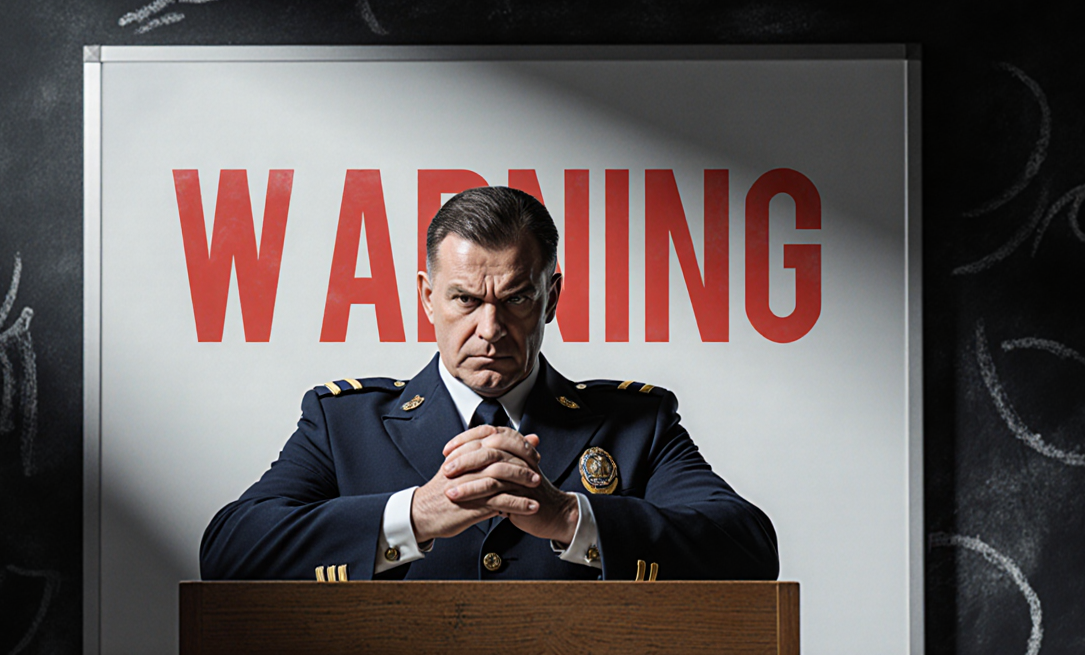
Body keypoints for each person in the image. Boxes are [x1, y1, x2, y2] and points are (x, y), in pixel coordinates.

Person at [200, 186, 779, 581]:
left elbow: (749, 549)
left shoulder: (637, 425)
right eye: (465, 300)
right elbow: (230, 551)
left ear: (552, 297)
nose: (491, 328)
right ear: (428, 297)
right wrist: (417, 516)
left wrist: (571, 519)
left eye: (517, 298)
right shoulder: (343, 422)